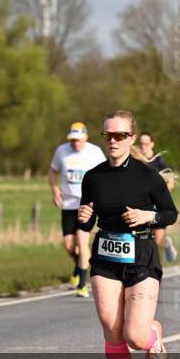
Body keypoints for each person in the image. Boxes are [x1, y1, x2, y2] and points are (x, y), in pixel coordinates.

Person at [77, 110, 178, 359]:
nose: (113, 141)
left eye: (119, 135)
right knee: (111, 328)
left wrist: (149, 216)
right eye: (107, 135)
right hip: (106, 257)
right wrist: (84, 219)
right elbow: (88, 219)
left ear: (131, 137)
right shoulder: (93, 177)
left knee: (134, 336)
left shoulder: (146, 176)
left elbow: (170, 213)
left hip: (142, 255)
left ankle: (153, 336)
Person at [49, 122, 106, 297]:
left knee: (82, 243)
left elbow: (106, 173)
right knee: (69, 245)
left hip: (86, 205)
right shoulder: (61, 151)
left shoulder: (95, 152)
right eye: (73, 140)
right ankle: (78, 267)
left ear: (86, 137)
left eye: (79, 140)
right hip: (68, 204)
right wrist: (55, 190)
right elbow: (52, 171)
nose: (75, 143)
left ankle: (82, 284)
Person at [138, 132, 179, 261]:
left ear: (152, 144)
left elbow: (171, 182)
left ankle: (166, 244)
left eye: (146, 144)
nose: (143, 146)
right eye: (141, 144)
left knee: (158, 241)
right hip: (142, 207)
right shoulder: (136, 161)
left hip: (158, 207)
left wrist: (158, 194)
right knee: (144, 241)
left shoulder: (159, 161)